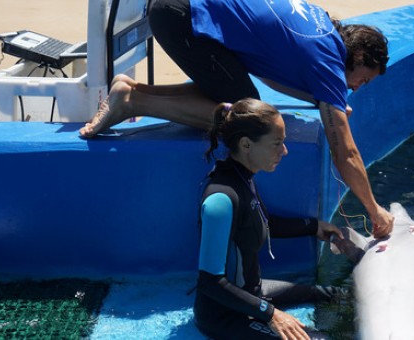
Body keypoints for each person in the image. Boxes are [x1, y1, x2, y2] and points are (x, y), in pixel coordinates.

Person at [79, 0, 394, 238]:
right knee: (249, 121)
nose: (355, 87)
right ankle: (135, 102)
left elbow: (271, 71)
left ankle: (132, 91)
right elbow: (346, 153)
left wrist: (321, 99)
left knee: (239, 94)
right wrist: (374, 210)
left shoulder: (321, 25)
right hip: (182, 17)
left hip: (177, 8)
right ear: (361, 57)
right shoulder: (328, 61)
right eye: (363, 80)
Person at [196, 98, 344, 339]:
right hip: (224, 313)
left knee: (334, 294)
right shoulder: (220, 201)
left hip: (253, 292)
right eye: (277, 144)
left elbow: (264, 222)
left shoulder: (244, 178)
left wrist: (314, 227)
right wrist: (272, 314)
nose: (284, 151)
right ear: (246, 144)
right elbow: (210, 282)